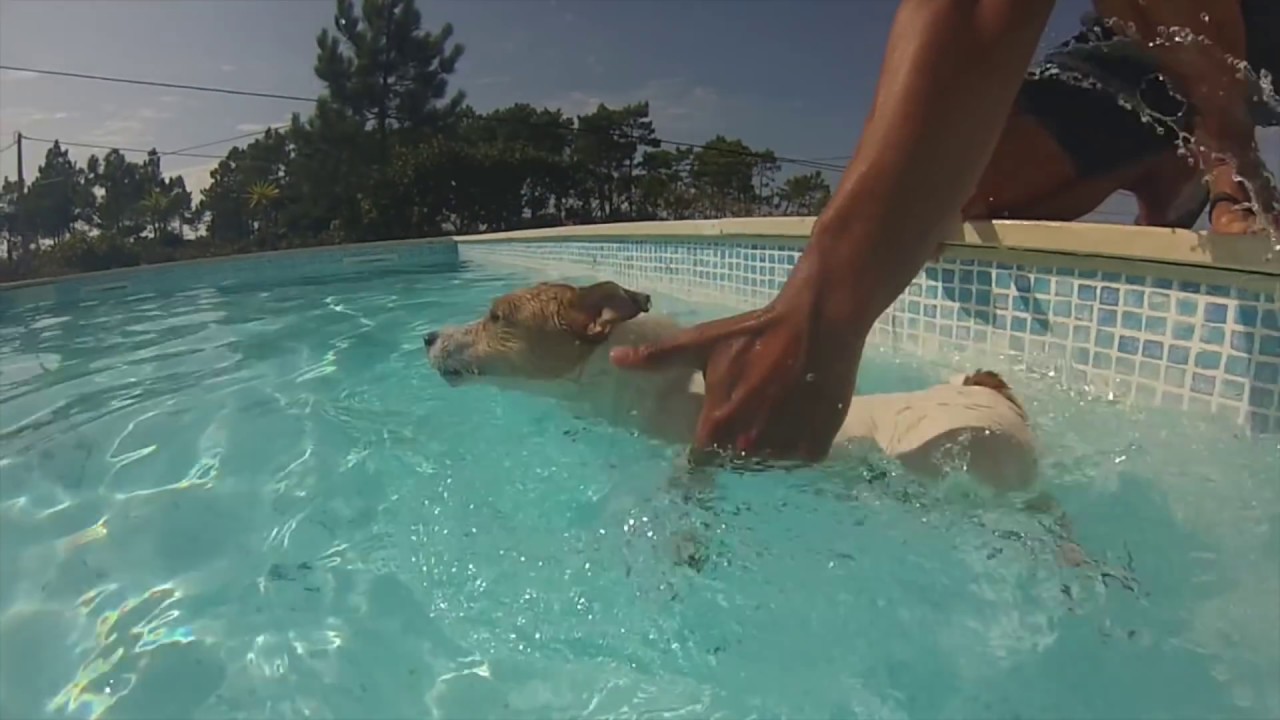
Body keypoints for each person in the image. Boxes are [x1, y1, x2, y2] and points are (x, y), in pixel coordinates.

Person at [609, 0, 1279, 463]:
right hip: (1134, 37)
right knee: (953, 175)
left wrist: (823, 313)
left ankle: (1214, 140)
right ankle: (1171, 143)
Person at [966, 0, 1280, 234]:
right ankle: (1167, 157)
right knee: (956, 185)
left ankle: (1206, 153)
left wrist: (1236, 165)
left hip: (1241, 33)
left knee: (950, 180)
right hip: (1130, 42)